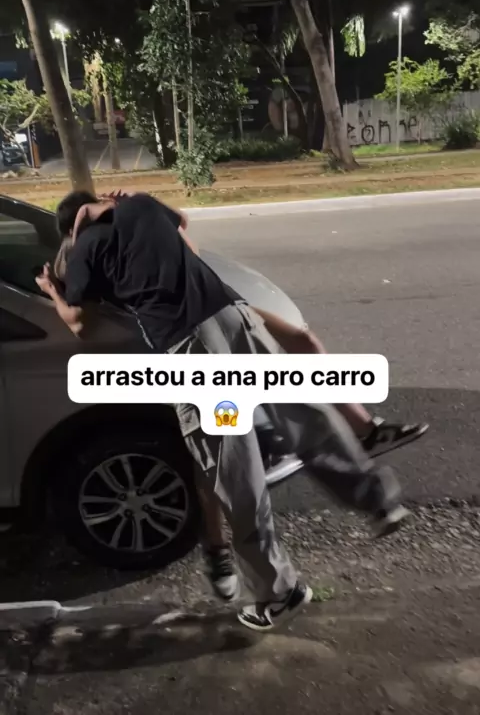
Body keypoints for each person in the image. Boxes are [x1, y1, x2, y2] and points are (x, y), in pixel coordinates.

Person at [37, 190, 416, 632]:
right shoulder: (140, 206)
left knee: (236, 473)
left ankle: (280, 591)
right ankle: (378, 501)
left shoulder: (84, 248)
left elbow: (79, 323)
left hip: (195, 352)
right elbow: (181, 221)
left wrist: (52, 290)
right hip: (238, 321)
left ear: (69, 229)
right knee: (305, 416)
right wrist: (114, 206)